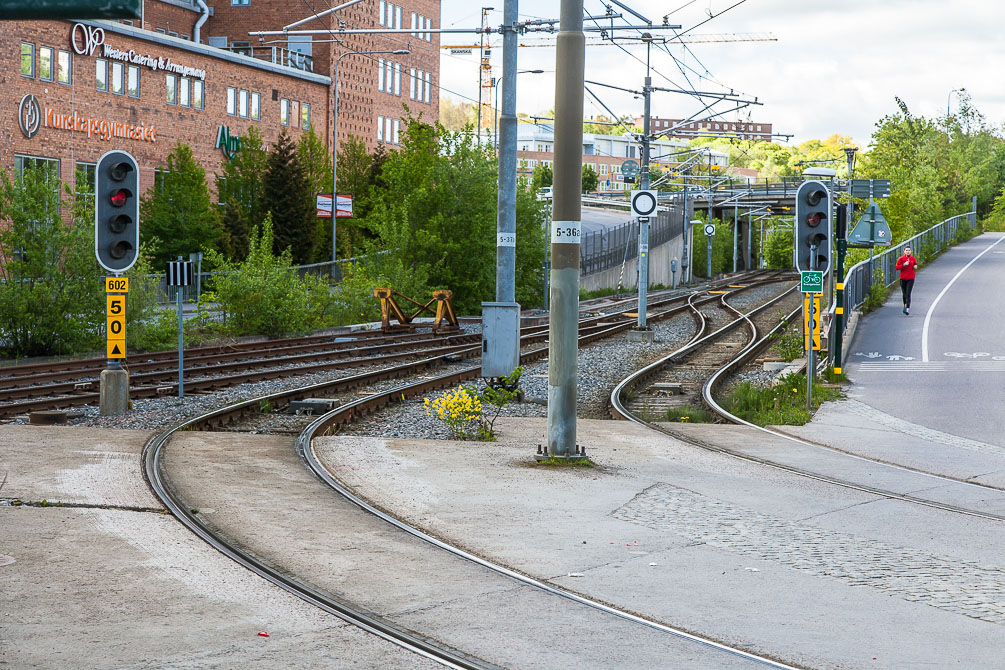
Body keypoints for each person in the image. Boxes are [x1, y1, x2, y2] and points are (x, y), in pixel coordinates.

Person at [894, 246, 918, 315]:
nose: (908, 251)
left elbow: (915, 264)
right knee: (904, 293)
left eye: (909, 250)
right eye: (906, 250)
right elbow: (896, 267)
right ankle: (905, 305)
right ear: (904, 251)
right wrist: (904, 265)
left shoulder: (912, 258)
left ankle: (907, 308)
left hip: (911, 278)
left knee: (908, 293)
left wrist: (915, 266)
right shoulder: (901, 259)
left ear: (911, 251)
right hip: (903, 278)